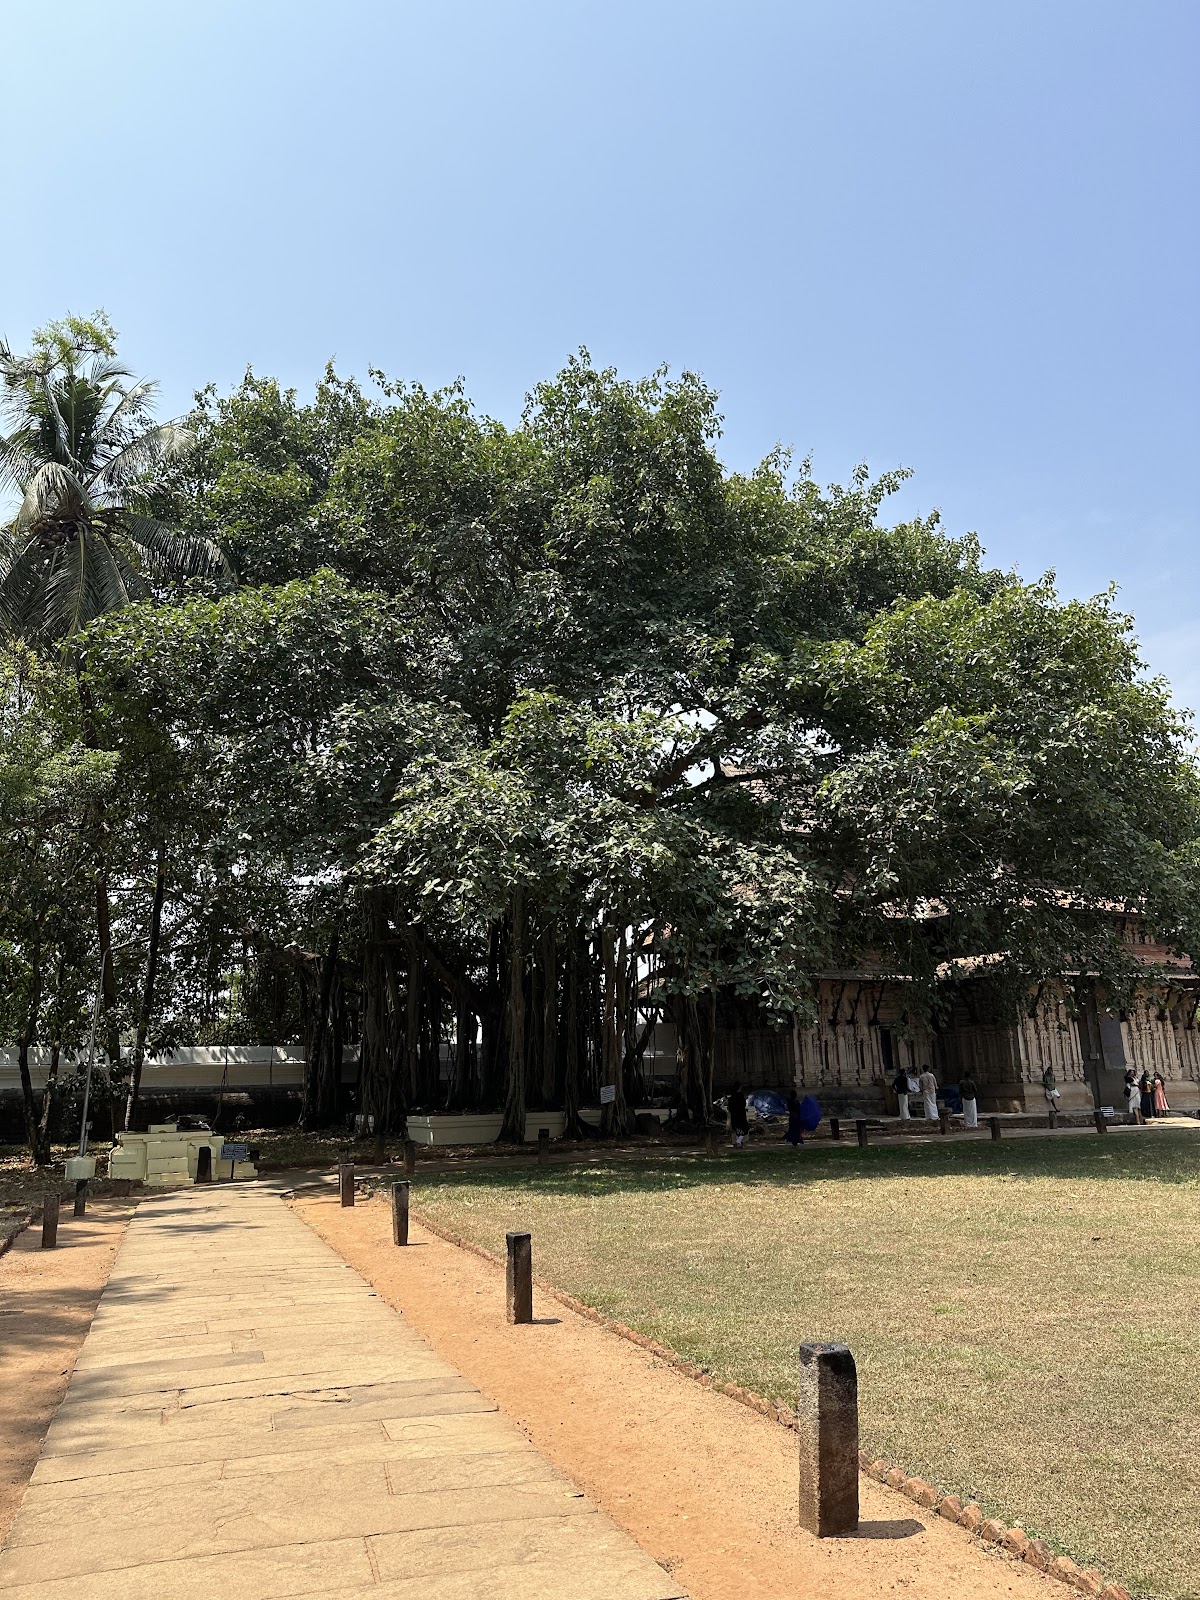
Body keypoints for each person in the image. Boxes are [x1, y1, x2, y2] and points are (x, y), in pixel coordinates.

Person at [728, 1082, 749, 1148]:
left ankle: (735, 1142)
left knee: (735, 1128)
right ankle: (740, 1141)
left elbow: (730, 1107)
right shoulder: (740, 1095)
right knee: (744, 1128)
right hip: (741, 1114)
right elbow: (743, 1104)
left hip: (734, 1115)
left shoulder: (731, 1096)